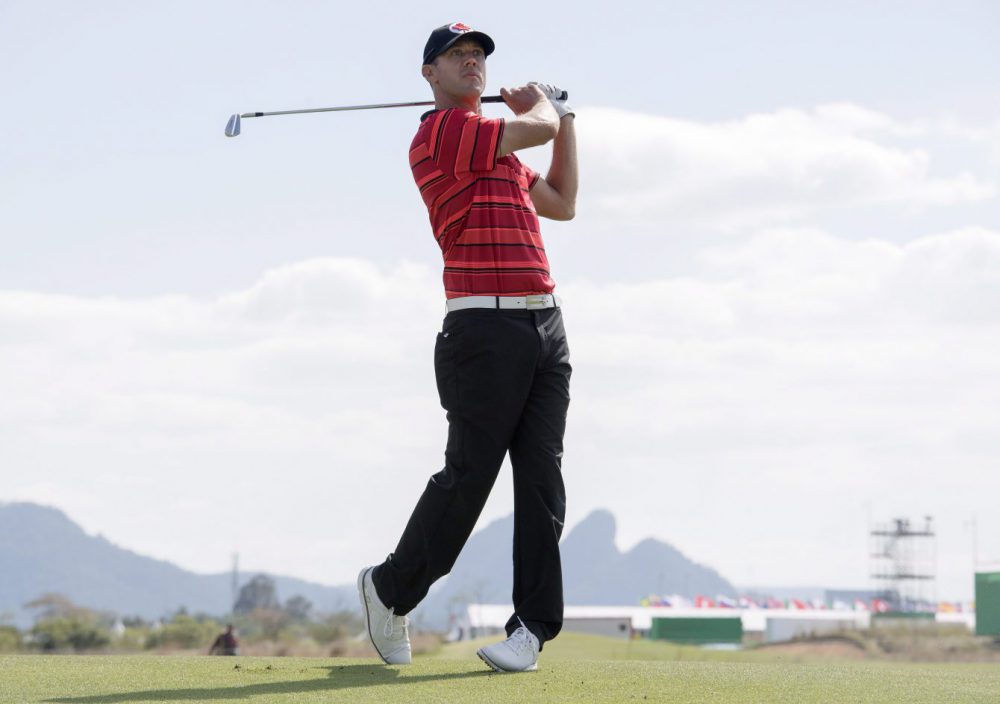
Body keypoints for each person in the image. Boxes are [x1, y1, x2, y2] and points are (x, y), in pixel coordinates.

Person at [358, 21, 577, 674]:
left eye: (478, 55)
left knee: (542, 484)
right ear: (430, 74)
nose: (472, 63)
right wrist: (543, 107)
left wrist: (568, 119)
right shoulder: (442, 133)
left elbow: (563, 202)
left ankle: (530, 632)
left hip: (545, 326)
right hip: (482, 330)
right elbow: (535, 127)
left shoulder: (501, 154)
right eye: (457, 56)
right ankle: (390, 589)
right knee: (469, 481)